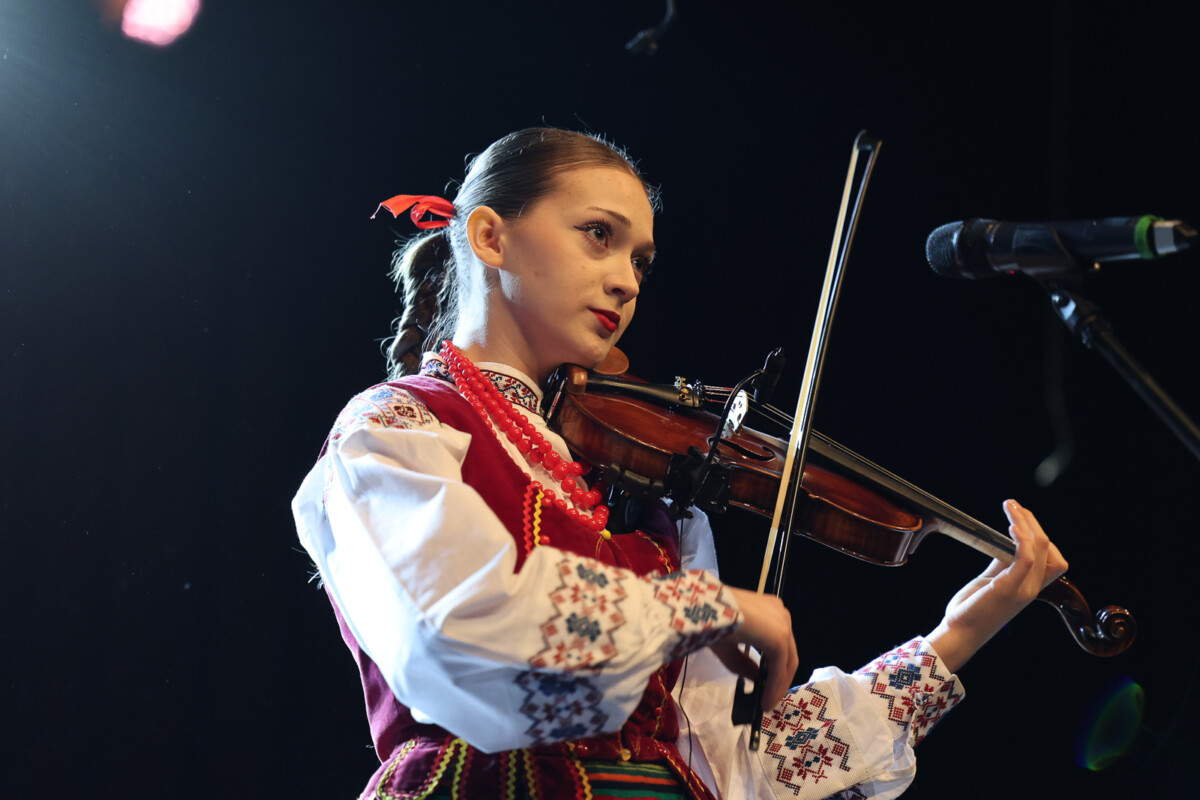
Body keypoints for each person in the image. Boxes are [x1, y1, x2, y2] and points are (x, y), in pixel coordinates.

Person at [292, 127, 1068, 799]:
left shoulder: (648, 497)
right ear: (491, 238)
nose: (627, 280)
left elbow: (730, 765)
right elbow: (458, 626)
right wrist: (707, 607)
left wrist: (953, 639)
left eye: (641, 260)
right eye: (598, 234)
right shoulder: (396, 429)